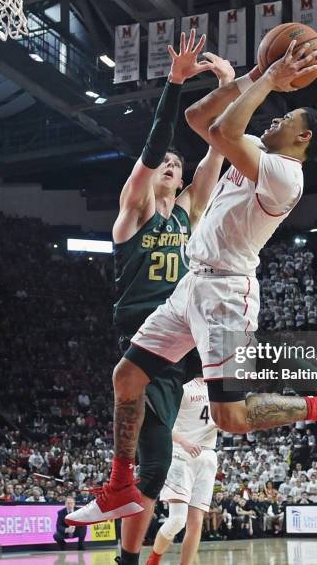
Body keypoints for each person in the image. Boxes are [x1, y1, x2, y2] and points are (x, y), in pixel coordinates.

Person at [67, 40, 317, 528]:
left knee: (231, 417)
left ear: (304, 137)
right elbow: (199, 120)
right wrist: (252, 74)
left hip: (227, 294)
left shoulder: (284, 176)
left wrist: (269, 81)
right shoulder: (254, 149)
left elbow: (226, 128)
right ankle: (122, 484)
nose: (274, 119)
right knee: (127, 376)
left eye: (285, 118)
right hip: (191, 287)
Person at [93, 30, 233, 565]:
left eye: (177, 166)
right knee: (151, 461)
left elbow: (217, 150)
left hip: (181, 342)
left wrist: (226, 84)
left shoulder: (191, 213)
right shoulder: (134, 212)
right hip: (142, 336)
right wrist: (175, 86)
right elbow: (153, 150)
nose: (170, 168)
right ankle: (128, 553)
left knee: (158, 464)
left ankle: (129, 557)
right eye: (164, 166)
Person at [146, 376, 218, 565]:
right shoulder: (183, 386)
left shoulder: (218, 387)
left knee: (196, 522)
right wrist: (183, 442)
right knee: (178, 520)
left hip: (208, 456)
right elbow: (161, 423)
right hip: (181, 455)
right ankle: (154, 559)